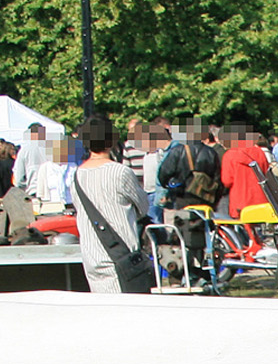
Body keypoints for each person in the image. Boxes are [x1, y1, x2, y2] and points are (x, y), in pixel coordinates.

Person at [70, 112, 152, 294]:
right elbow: (143, 207)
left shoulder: (76, 176)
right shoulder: (120, 172)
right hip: (121, 257)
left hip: (91, 257)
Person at [158, 120, 223, 216]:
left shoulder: (177, 150)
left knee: (184, 225)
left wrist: (168, 186)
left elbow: (164, 173)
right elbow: (217, 178)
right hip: (205, 196)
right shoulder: (211, 152)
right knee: (204, 224)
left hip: (183, 195)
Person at [219, 129, 270, 217]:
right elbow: (266, 174)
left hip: (240, 201)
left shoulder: (229, 155)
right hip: (261, 200)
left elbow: (227, 181)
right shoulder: (260, 152)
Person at [12, 122, 49, 196]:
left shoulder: (24, 150)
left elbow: (19, 178)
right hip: (51, 191)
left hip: (33, 190)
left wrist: (25, 186)